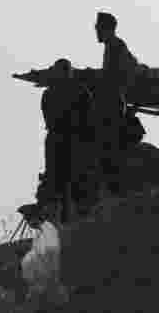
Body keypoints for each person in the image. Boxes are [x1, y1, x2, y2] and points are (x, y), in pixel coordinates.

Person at [37, 58, 91, 222]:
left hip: (57, 139)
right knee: (71, 176)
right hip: (71, 140)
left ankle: (55, 209)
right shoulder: (80, 91)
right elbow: (88, 116)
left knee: (56, 177)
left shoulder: (49, 93)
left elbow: (48, 117)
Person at [92, 11, 138, 198]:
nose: (96, 31)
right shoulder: (113, 46)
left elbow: (117, 75)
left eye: (98, 28)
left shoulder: (116, 46)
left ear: (107, 29)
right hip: (114, 101)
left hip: (114, 103)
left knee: (110, 146)